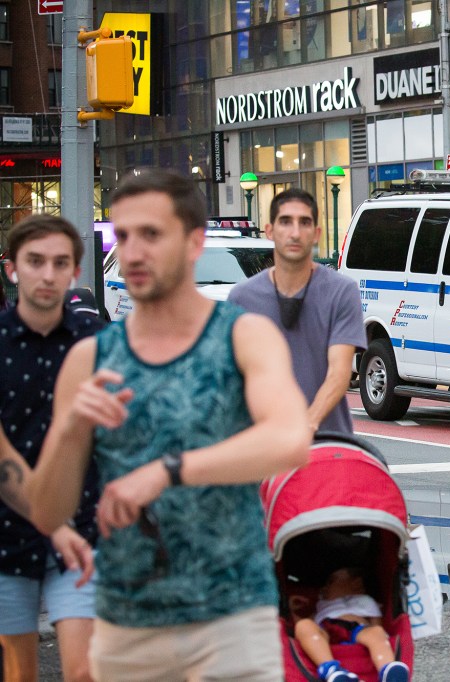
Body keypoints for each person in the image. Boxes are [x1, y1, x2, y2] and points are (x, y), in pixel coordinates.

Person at [27, 169, 310, 680]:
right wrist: (70, 428)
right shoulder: (90, 359)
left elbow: (289, 438)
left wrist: (168, 470)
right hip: (127, 627)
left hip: (233, 616)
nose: (132, 252)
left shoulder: (243, 336)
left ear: (194, 242)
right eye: (124, 235)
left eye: (151, 235)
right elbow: (47, 512)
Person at [0, 215, 101, 682]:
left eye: (60, 263)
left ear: (75, 272)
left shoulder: (98, 346)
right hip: (5, 536)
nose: (47, 273)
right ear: (11, 268)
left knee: (83, 672)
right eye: (35, 261)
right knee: (18, 674)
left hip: (83, 535)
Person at [229, 188, 366, 435]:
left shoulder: (342, 291)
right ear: (269, 231)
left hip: (326, 447)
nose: (295, 232)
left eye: (304, 223)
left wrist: (307, 424)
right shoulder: (242, 297)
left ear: (316, 234)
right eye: (285, 222)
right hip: (262, 450)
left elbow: (339, 373)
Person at [294, 562, 410, 682]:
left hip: (357, 629)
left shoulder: (365, 600)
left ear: (356, 584)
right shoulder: (320, 605)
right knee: (303, 626)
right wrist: (290, 610)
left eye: (331, 582)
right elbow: (300, 627)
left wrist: (379, 635)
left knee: (377, 632)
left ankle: (388, 670)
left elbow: (378, 624)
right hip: (325, 631)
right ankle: (330, 669)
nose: (324, 587)